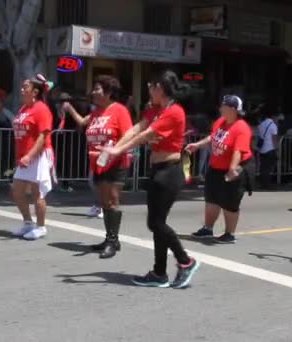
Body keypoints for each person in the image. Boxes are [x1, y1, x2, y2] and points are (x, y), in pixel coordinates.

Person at [99, 70, 200, 288]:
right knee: (156, 223)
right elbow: (136, 128)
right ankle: (159, 273)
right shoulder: (154, 109)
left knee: (155, 223)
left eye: (151, 85)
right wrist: (115, 148)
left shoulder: (174, 112)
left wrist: (119, 151)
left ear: (160, 88)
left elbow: (146, 135)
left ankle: (185, 261)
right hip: (157, 170)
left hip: (170, 171)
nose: (148, 89)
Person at [63, 75, 133, 258]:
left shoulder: (119, 110)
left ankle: (112, 240)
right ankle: (110, 239)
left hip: (115, 163)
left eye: (97, 89)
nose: (93, 92)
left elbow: (129, 135)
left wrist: (115, 150)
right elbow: (81, 122)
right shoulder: (95, 113)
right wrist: (69, 109)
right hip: (98, 163)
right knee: (103, 202)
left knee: (112, 200)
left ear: (109, 92)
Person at [187, 95, 254, 243]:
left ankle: (229, 233)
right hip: (216, 167)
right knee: (211, 198)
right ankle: (207, 228)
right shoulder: (220, 122)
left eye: (224, 106)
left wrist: (232, 169)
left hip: (236, 167)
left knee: (230, 201)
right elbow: (212, 138)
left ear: (233, 109)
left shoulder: (241, 127)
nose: (220, 108)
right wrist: (197, 145)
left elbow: (238, 151)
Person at [9, 75, 55, 240]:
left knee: (37, 193)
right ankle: (27, 222)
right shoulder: (23, 109)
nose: (21, 90)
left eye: (25, 88)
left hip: (40, 154)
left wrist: (30, 155)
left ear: (35, 92)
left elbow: (43, 137)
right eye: (21, 87)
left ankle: (41, 226)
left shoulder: (41, 109)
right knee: (17, 191)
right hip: (24, 155)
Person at [257, 110, 278, 189]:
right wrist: (276, 148)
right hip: (270, 148)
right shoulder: (273, 125)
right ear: (273, 117)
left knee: (263, 167)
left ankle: (262, 183)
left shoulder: (261, 124)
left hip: (262, 148)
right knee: (269, 168)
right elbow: (274, 139)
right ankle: (267, 184)